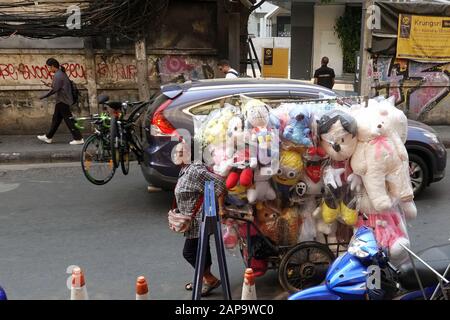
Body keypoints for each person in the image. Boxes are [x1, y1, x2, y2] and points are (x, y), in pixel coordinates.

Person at [173, 141, 226, 296]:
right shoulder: (184, 169)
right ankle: (203, 278)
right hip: (193, 220)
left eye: (181, 152)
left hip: (199, 220)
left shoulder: (195, 170)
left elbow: (220, 184)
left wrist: (221, 209)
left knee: (189, 252)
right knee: (203, 250)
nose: (176, 155)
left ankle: (210, 279)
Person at [37, 58, 84, 145]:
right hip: (62, 100)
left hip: (63, 101)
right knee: (56, 119)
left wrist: (43, 96)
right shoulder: (61, 73)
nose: (48, 69)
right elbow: (58, 86)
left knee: (69, 120)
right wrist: (49, 84)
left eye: (48, 67)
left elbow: (55, 89)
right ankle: (48, 137)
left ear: (53, 66)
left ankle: (78, 138)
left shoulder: (58, 75)